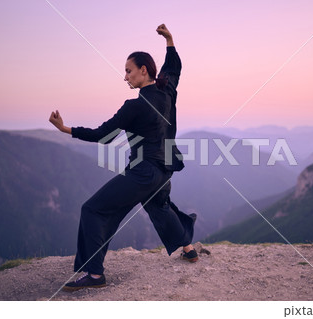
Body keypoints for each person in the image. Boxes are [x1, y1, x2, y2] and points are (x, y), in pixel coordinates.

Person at [49, 24, 198, 292]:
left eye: (128, 70)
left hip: (145, 172)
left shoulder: (135, 106)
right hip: (165, 169)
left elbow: (102, 135)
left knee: (93, 209)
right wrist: (170, 40)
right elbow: (174, 67)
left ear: (144, 70)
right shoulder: (167, 90)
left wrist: (65, 129)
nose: (126, 76)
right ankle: (189, 249)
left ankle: (95, 276)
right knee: (159, 206)